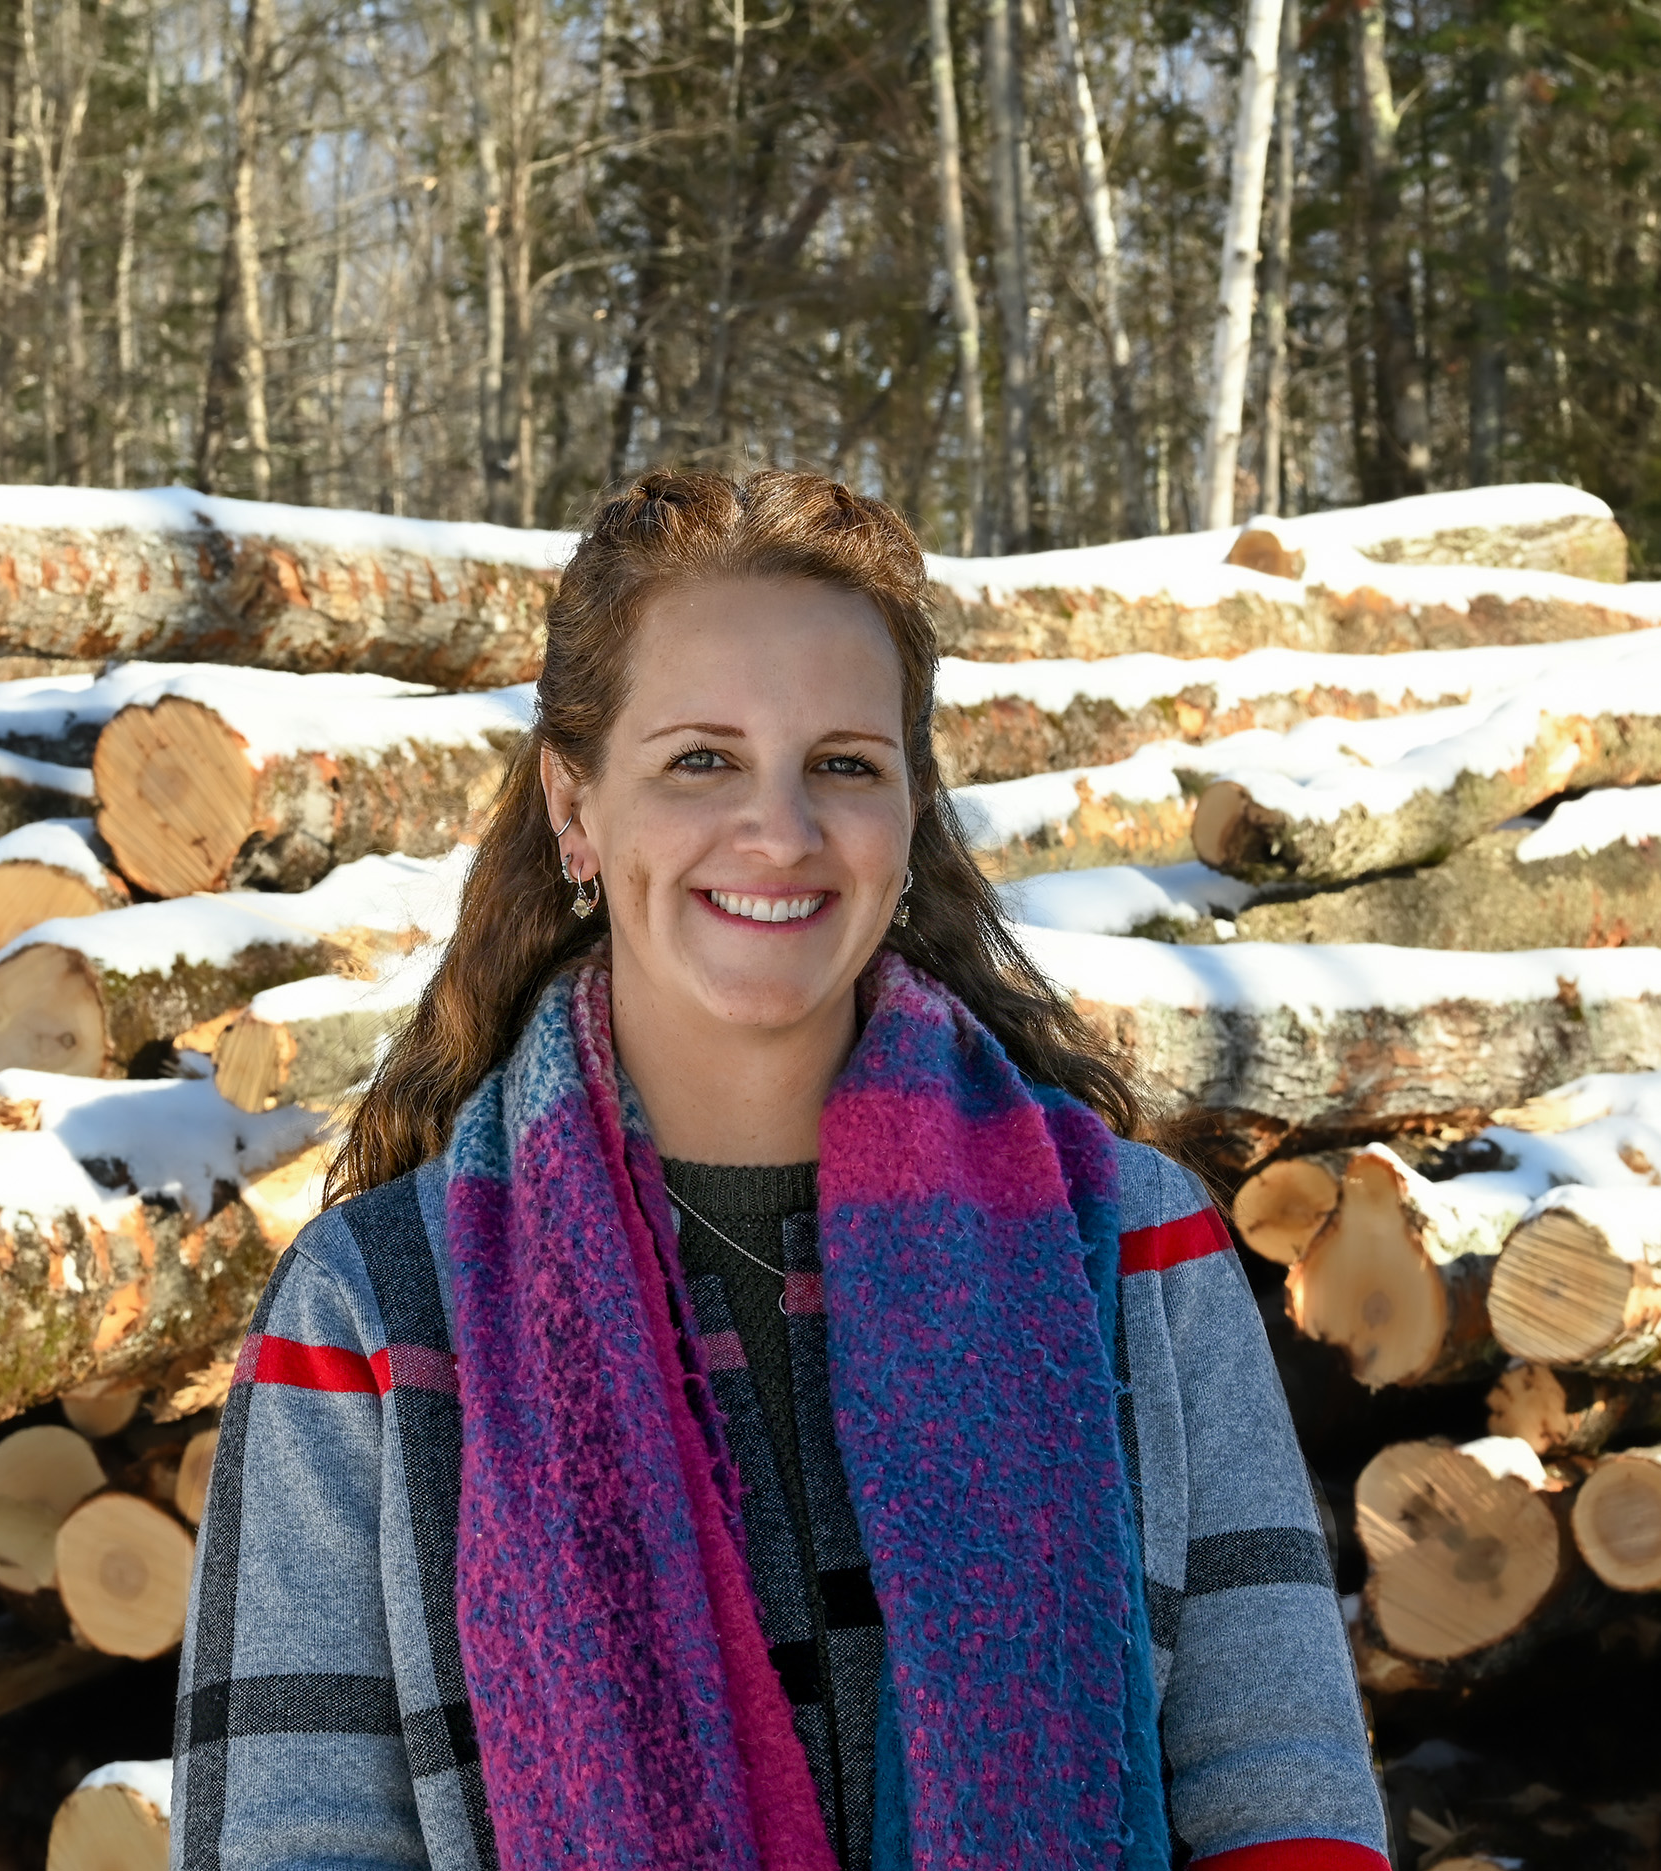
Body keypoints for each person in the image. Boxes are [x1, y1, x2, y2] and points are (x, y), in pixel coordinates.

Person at [171, 470, 1389, 1871]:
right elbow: (293, 1841)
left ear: (909, 807)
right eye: (701, 759)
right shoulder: (375, 1306)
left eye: (843, 764)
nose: (779, 831)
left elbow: (1278, 1797)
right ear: (576, 805)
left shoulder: (1128, 1242)